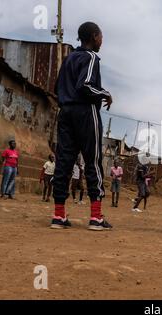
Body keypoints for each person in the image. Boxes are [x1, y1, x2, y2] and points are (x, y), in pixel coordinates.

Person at [51, 22, 113, 231]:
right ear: (94, 36)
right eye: (101, 36)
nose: (102, 41)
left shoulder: (68, 58)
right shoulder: (91, 57)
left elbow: (57, 87)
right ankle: (96, 218)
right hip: (85, 112)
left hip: (65, 112)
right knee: (92, 161)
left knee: (64, 162)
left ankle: (58, 215)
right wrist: (104, 93)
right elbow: (85, 86)